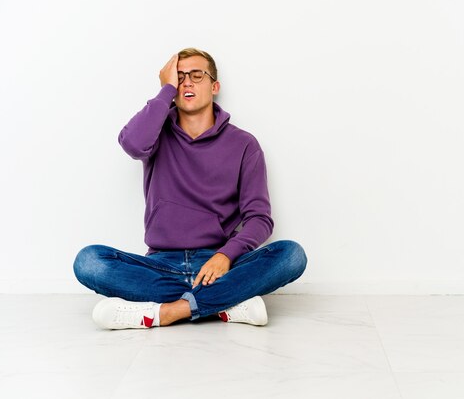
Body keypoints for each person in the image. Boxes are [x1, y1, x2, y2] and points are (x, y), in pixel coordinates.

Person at [73, 48, 307, 329]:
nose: (187, 83)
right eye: (179, 77)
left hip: (219, 265)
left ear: (215, 86)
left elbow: (259, 218)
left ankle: (168, 312)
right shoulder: (155, 135)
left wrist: (224, 256)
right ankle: (224, 304)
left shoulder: (244, 144)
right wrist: (165, 91)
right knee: (88, 261)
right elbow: (132, 145)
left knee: (291, 255)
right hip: (160, 266)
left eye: (197, 75)